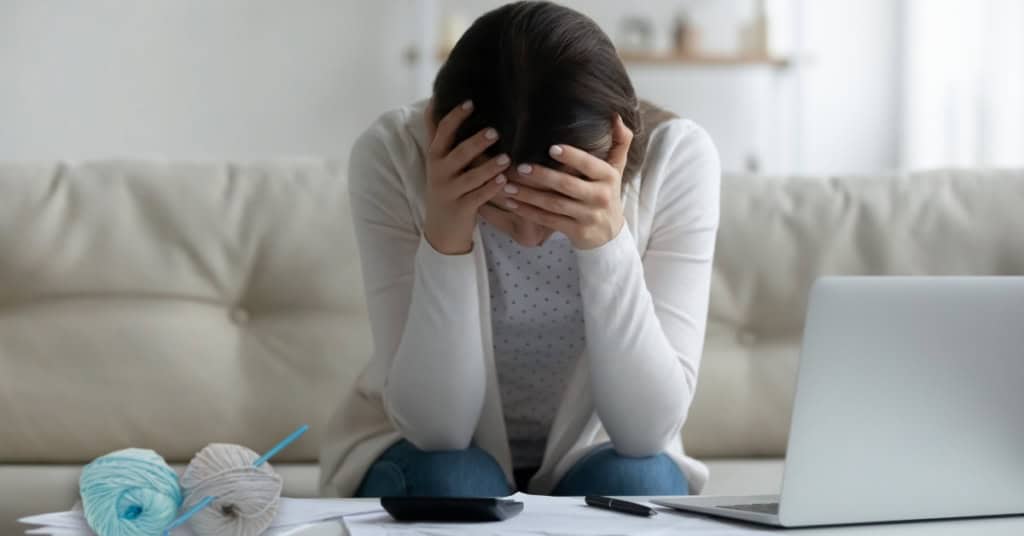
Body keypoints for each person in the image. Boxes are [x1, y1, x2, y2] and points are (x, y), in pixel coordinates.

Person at [320, 1, 720, 498]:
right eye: (501, 209)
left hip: (603, 452)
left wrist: (606, 244)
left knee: (641, 480)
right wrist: (446, 235)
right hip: (421, 452)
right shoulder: (394, 156)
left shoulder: (677, 157)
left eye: (558, 207)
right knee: (458, 481)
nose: (528, 237)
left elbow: (646, 434)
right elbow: (437, 432)